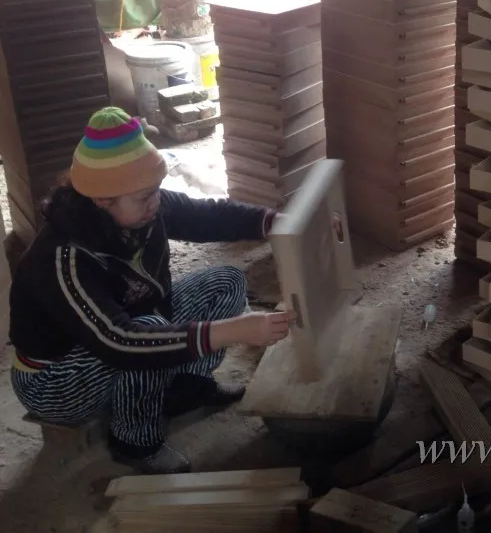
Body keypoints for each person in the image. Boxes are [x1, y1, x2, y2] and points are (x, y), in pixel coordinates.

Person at [7, 107, 293, 474]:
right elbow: (120, 342)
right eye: (145, 197)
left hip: (123, 329)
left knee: (226, 282)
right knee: (147, 333)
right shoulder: (64, 257)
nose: (155, 203)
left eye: (155, 191)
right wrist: (231, 331)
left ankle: (183, 388)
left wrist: (274, 221)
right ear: (102, 199)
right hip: (53, 380)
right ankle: (134, 441)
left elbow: (206, 215)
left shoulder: (143, 207)